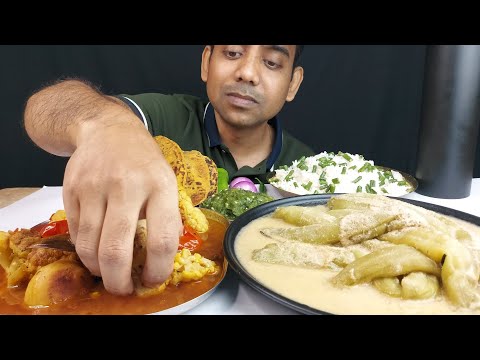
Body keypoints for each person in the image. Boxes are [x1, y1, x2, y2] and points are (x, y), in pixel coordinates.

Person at [23, 45, 314, 296]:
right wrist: (107, 126)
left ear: (293, 83)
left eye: (272, 62)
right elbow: (45, 107)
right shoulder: (163, 116)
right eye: (233, 52)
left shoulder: (311, 173)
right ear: (206, 62)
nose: (247, 73)